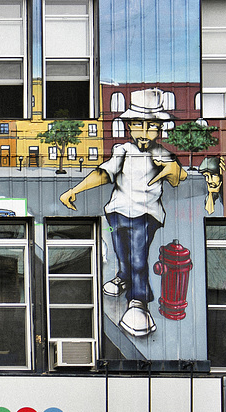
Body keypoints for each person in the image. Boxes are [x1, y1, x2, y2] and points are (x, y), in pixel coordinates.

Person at [60, 88, 187, 337]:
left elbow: (178, 176)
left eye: (151, 126)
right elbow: (103, 173)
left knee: (139, 258)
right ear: (129, 126)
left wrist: (173, 170)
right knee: (121, 251)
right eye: (137, 125)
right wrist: (75, 189)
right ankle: (122, 276)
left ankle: (138, 303)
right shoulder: (123, 150)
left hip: (146, 215)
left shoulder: (162, 154)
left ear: (159, 128)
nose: (143, 132)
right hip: (116, 213)